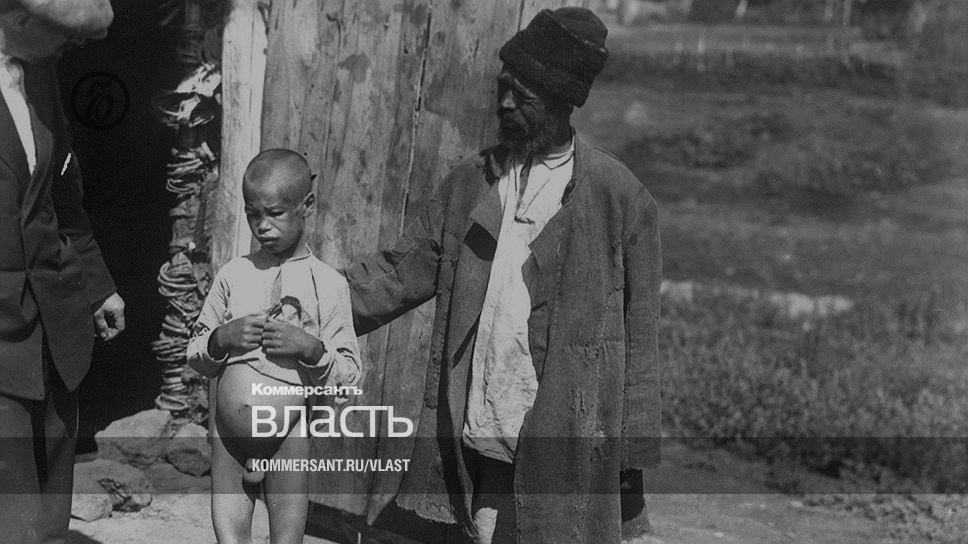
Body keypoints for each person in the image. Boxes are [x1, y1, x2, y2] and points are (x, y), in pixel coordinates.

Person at [346, 7, 661, 544]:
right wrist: (309, 297)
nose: (506, 103)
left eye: (524, 95)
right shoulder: (473, 182)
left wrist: (632, 456)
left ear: (561, 102)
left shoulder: (619, 199)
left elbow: (641, 337)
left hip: (562, 434)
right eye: (503, 87)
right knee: (484, 530)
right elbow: (399, 272)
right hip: (485, 422)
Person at [187, 148, 362, 544]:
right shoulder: (234, 274)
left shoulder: (329, 285)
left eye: (275, 213)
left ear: (307, 206)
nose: (262, 226)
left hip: (289, 438)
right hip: (229, 438)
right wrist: (221, 338)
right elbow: (195, 350)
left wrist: (311, 349)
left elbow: (349, 377)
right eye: (253, 214)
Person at [0, 1, 125, 543]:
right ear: (17, 18)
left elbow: (62, 192)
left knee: (49, 503)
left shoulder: (40, 73)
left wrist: (97, 286)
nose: (74, 49)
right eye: (65, 35)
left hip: (55, 322)